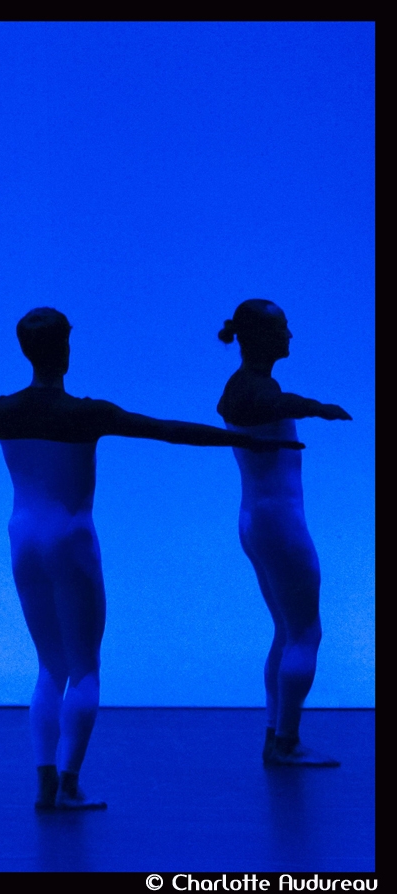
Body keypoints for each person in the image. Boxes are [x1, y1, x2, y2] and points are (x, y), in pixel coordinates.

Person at [0, 308, 300, 811]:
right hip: (72, 539)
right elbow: (166, 429)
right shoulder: (86, 413)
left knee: (48, 667)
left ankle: (43, 783)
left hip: (23, 539)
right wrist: (243, 438)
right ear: (66, 349)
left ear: (25, 350)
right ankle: (70, 783)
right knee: (83, 668)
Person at [214, 299, 349, 767]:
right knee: (306, 632)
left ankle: (277, 734)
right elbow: (267, 405)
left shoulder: (247, 386)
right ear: (264, 337)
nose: (291, 336)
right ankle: (287, 741)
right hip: (278, 525)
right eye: (284, 329)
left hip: (258, 520)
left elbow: (263, 404)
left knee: (287, 630)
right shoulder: (250, 389)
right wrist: (317, 407)